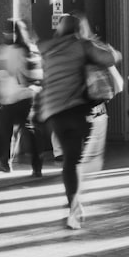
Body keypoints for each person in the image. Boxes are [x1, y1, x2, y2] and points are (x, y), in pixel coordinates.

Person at [37, 13, 119, 230]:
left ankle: (73, 204)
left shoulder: (48, 49)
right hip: (76, 110)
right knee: (76, 159)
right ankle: (75, 205)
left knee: (69, 161)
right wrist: (94, 42)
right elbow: (111, 58)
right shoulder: (82, 45)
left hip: (53, 111)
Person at [0, 19, 45, 176]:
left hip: (12, 96)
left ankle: (6, 163)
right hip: (26, 96)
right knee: (27, 130)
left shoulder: (8, 49)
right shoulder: (31, 48)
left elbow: (9, 71)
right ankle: (36, 165)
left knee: (7, 130)